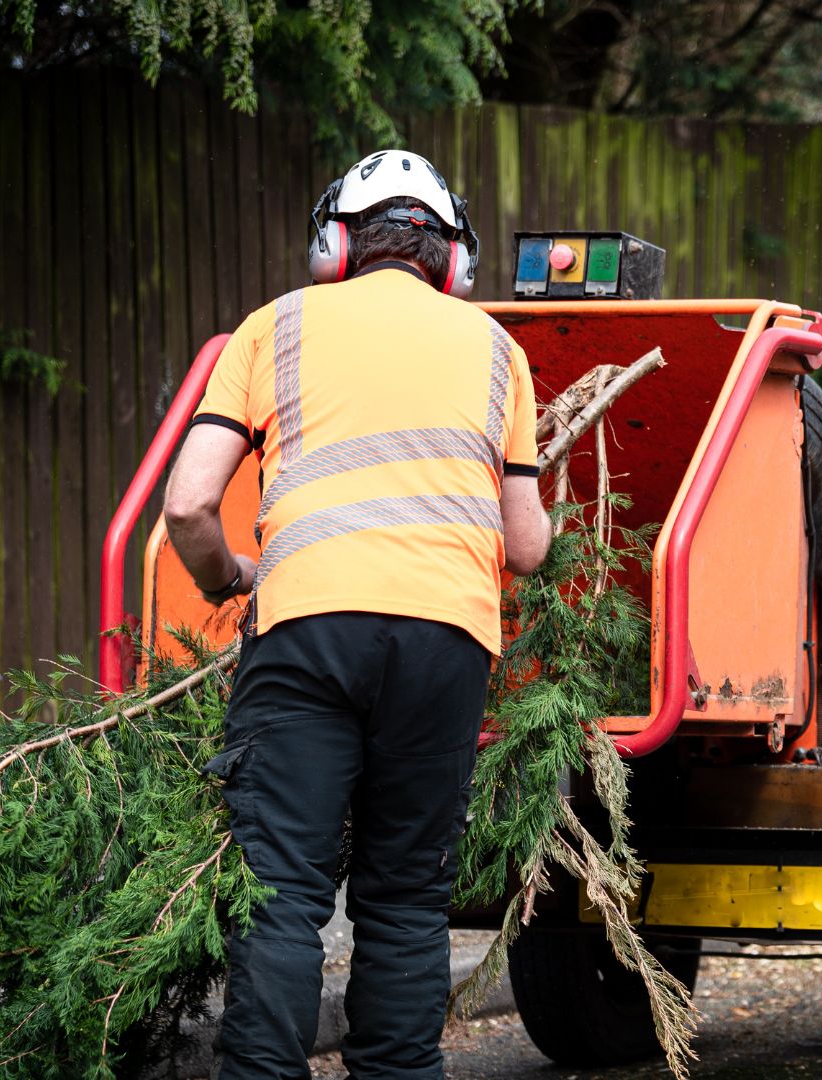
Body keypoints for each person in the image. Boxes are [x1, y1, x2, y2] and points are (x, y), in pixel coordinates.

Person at [162, 148, 551, 1080]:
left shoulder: (273, 328)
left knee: (285, 894)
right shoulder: (500, 349)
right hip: (446, 645)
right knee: (408, 899)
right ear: (453, 260)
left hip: (307, 634)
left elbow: (187, 505)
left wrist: (228, 580)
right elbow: (529, 548)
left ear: (334, 244)